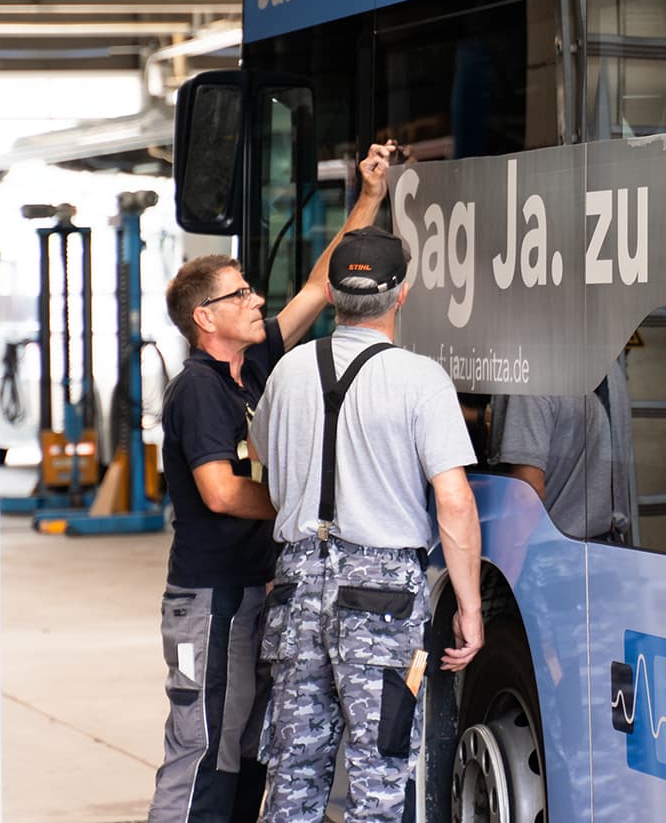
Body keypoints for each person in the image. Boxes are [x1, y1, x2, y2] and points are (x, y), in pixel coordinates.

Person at [148, 142, 393, 823]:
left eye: (252, 290)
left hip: (249, 592)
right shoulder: (197, 389)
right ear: (205, 317)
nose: (258, 299)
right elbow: (222, 491)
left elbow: (320, 285)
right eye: (241, 294)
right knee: (203, 752)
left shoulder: (251, 367)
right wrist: (300, 503)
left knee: (251, 750)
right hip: (212, 598)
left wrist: (368, 198)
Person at [249, 227, 485, 823]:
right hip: (380, 595)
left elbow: (266, 459)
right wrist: (469, 607)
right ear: (401, 294)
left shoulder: (286, 372)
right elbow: (453, 501)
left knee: (294, 770)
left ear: (331, 293)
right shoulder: (420, 380)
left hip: (298, 583)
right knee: (378, 777)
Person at [491, 350, 634, 542]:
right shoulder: (611, 371)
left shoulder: (532, 375)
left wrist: (509, 559)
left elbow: (526, 493)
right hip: (606, 547)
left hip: (551, 549)